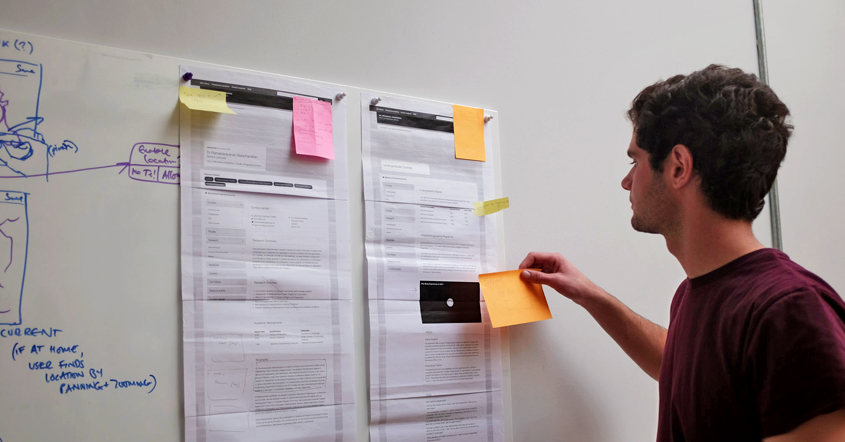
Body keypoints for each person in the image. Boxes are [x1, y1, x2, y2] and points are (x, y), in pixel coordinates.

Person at [520, 65, 845, 441]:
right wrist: (589, 294)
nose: (626, 181)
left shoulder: (790, 310)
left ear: (678, 167)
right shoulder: (699, 293)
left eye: (635, 161)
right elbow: (691, 373)